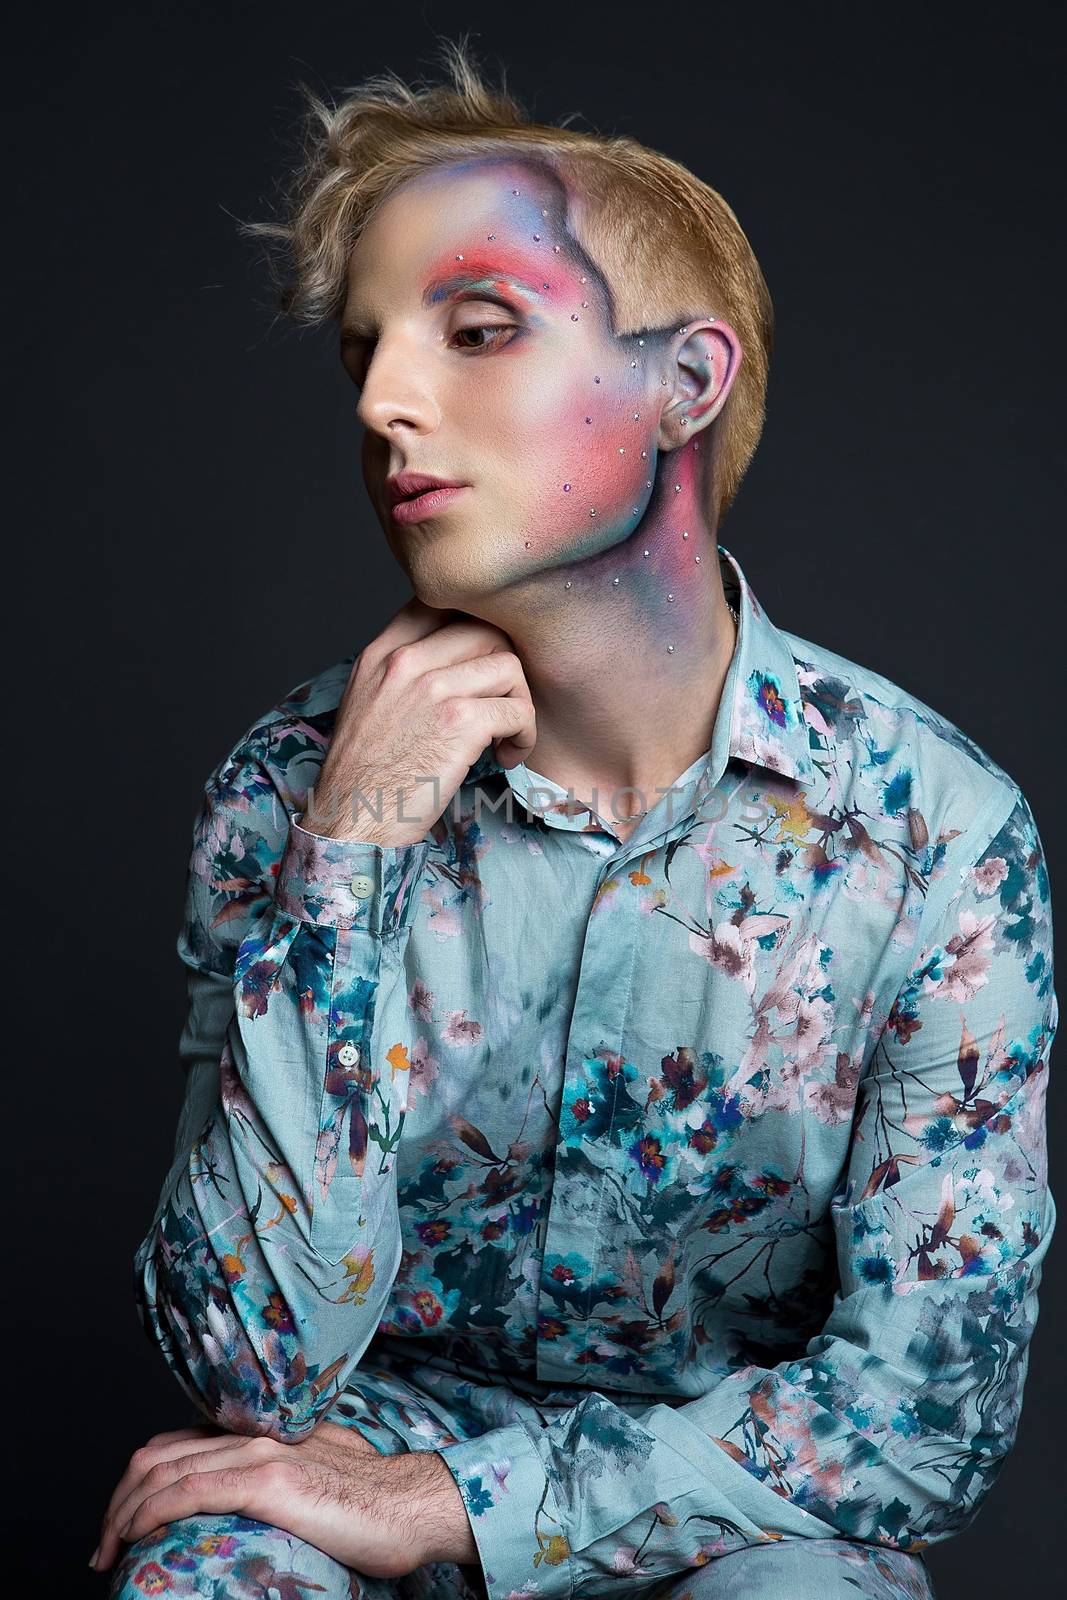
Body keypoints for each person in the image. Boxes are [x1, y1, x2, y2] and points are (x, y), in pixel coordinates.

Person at [92, 40, 1055, 1600]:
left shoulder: (937, 837)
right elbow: (245, 1372)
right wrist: (353, 854)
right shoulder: (289, 785)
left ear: (687, 382)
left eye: (476, 330)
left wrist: (461, 1502)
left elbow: (917, 1421)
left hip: (734, 1512)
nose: (389, 403)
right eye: (367, 355)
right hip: (334, 1493)